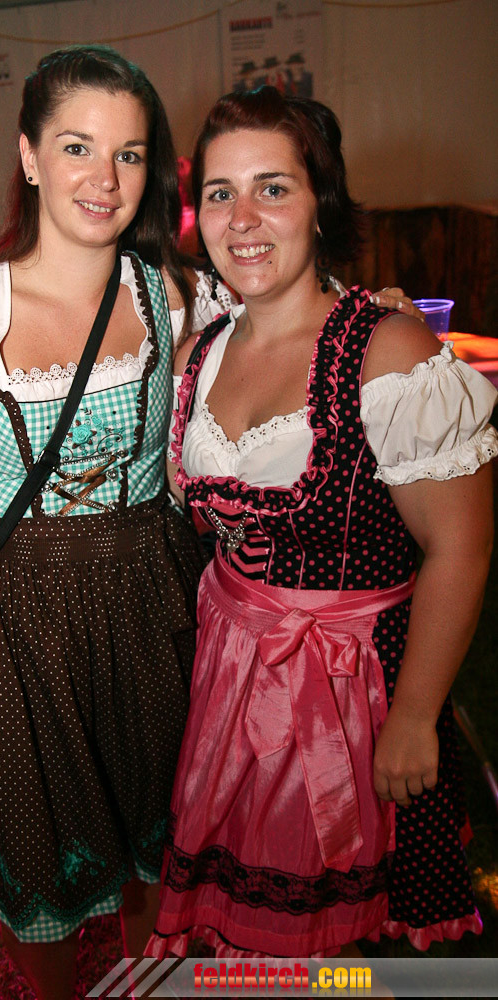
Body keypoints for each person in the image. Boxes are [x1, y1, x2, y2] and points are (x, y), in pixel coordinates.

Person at [0, 46, 242, 1000]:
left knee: (154, 843)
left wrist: (371, 317)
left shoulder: (171, 294)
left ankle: (146, 983)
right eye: (77, 147)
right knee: (38, 858)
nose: (104, 178)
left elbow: (270, 358)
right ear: (29, 155)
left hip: (153, 610)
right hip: (16, 628)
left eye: (129, 154)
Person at [149, 87, 497, 959]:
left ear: (320, 202)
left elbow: (459, 545)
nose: (242, 219)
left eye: (272, 188)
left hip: (355, 693)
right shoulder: (199, 355)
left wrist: (413, 717)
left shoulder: (387, 351)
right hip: (228, 677)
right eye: (221, 193)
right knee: (243, 928)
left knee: (351, 945)